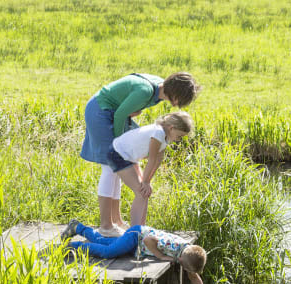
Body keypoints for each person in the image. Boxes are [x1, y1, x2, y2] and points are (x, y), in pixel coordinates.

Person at [81, 72, 201, 236]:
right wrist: (118, 144)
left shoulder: (159, 88)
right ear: (175, 95)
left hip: (114, 113)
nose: (178, 106)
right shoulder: (145, 91)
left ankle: (116, 221)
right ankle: (105, 226)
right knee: (110, 169)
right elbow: (120, 114)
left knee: (116, 171)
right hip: (101, 111)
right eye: (180, 101)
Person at [60, 219, 217, 284]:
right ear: (182, 261)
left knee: (103, 242)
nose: (187, 271)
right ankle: (73, 247)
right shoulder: (174, 246)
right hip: (137, 237)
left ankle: (77, 227)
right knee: (108, 252)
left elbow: (193, 276)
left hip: (137, 241)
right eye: (185, 268)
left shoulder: (187, 253)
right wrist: (160, 256)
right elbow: (149, 240)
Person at [108, 111, 193, 226]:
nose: (179, 140)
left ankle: (141, 228)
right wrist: (145, 181)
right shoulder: (158, 133)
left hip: (130, 158)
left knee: (145, 192)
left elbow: (158, 160)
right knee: (141, 191)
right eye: (179, 136)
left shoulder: (165, 138)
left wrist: (148, 181)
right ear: (172, 128)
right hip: (118, 154)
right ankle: (135, 231)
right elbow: (151, 159)